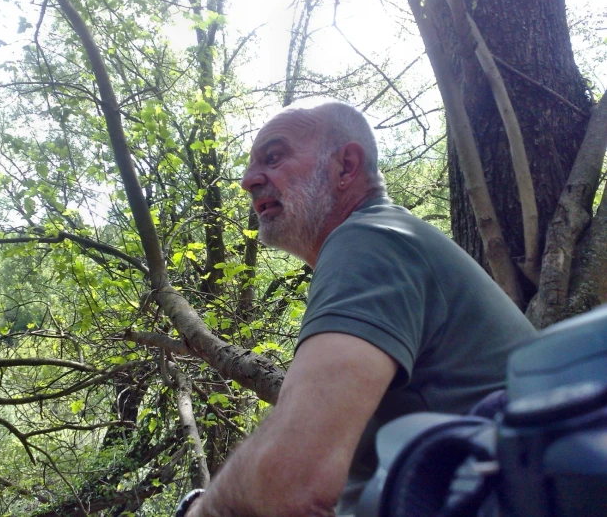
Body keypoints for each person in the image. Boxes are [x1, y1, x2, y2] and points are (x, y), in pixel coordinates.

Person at [180, 99, 538, 517]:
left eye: (273, 157)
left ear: (346, 166)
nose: (248, 180)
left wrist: (200, 511)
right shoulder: (383, 236)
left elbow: (290, 486)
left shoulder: (370, 239)